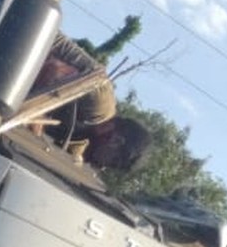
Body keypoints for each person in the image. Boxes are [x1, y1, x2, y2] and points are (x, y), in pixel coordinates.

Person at [35, 34, 151, 172]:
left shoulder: (84, 133)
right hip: (28, 33)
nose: (103, 166)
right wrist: (36, 124)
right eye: (113, 161)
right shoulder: (100, 106)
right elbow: (54, 69)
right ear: (116, 141)